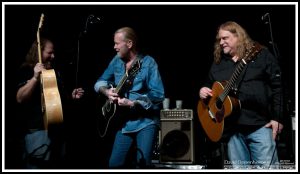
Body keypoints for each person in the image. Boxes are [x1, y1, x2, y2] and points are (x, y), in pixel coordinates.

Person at [198, 21, 284, 169]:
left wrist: (278, 117)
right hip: (232, 132)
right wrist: (203, 90)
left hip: (260, 126)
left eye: (225, 38)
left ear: (238, 36)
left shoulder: (260, 55)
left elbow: (278, 87)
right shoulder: (218, 63)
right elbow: (209, 84)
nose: (221, 42)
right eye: (219, 39)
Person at [94, 27, 165, 168]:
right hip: (123, 122)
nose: (114, 47)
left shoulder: (148, 62)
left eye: (117, 43)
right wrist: (107, 92)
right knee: (114, 164)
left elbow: (158, 94)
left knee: (142, 165)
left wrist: (134, 103)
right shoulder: (116, 61)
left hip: (145, 122)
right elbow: (99, 82)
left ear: (129, 44)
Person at [16, 37, 85, 169]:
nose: (53, 56)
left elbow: (56, 103)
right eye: (49, 53)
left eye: (53, 53)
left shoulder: (54, 71)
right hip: (38, 133)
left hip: (58, 132)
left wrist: (71, 97)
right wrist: (35, 77)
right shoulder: (26, 70)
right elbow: (20, 98)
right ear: (38, 52)